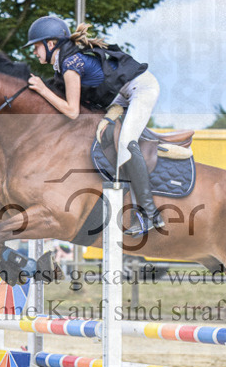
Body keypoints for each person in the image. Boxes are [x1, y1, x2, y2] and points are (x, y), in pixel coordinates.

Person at [24, 15, 165, 236]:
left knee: (127, 142)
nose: (34, 52)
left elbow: (71, 111)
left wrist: (42, 89)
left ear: (51, 44)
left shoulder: (71, 64)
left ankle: (150, 215)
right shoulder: (63, 64)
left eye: (36, 47)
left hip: (141, 88)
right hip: (122, 95)